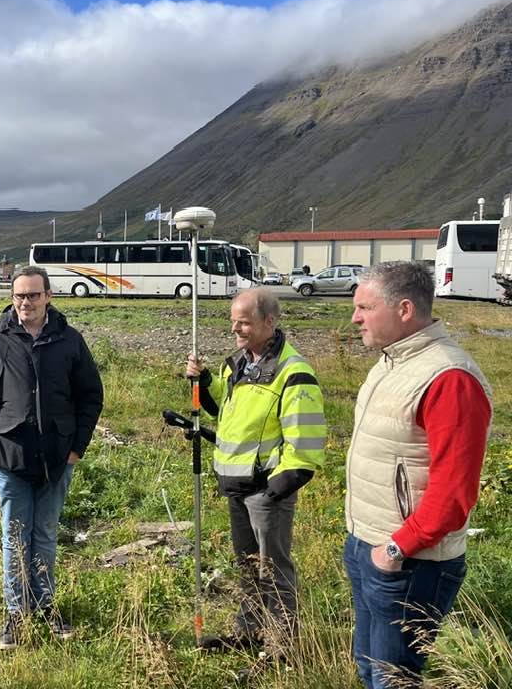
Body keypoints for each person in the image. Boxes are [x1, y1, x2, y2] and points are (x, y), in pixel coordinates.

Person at [344, 261, 491, 689]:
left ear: (404, 309)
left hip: (410, 562)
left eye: (365, 308)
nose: (355, 318)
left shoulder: (449, 378)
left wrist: (394, 549)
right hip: (369, 544)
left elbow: (454, 494)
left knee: (394, 680)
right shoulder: (392, 363)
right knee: (371, 669)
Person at [0, 266, 103, 650]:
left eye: (34, 295)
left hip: (58, 458)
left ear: (48, 296)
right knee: (14, 537)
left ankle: (45, 606)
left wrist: (77, 448)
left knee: (44, 535)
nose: (26, 302)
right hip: (10, 458)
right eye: (20, 296)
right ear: (12, 298)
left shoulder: (69, 341)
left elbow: (91, 396)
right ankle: (15, 612)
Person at [186, 288, 325, 666]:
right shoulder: (239, 364)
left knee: (273, 571)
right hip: (236, 484)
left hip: (267, 491)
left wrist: (273, 492)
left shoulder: (293, 372)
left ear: (270, 321)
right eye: (233, 320)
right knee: (247, 566)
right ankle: (249, 632)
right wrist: (206, 381)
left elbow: (306, 444)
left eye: (244, 322)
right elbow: (226, 413)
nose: (236, 328)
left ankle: (281, 649)